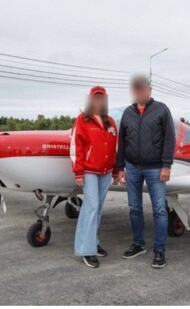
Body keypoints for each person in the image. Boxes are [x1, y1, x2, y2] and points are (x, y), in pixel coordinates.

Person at [116, 75, 175, 269]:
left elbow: (169, 139)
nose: (139, 92)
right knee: (134, 208)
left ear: (150, 90)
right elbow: (122, 142)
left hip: (156, 167)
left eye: (143, 88)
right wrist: (120, 167)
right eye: (136, 89)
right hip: (132, 167)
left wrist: (166, 165)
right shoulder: (128, 113)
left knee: (159, 209)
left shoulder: (162, 110)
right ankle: (138, 244)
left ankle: (159, 250)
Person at [70, 85, 119, 268]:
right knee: (91, 207)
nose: (99, 101)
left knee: (97, 209)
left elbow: (115, 147)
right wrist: (78, 172)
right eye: (95, 98)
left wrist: (114, 170)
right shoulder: (82, 120)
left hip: (105, 172)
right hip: (90, 171)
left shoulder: (111, 122)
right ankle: (86, 250)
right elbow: (76, 148)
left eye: (102, 98)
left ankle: (94, 243)